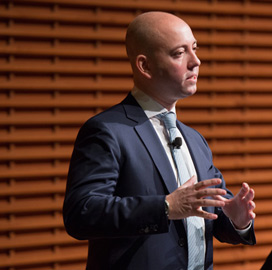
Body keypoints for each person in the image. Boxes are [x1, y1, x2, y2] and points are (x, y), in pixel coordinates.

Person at [63, 11, 256, 270]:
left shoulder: (195, 139)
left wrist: (236, 219)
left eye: (195, 49)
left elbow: (209, 217)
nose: (196, 61)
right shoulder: (107, 131)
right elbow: (81, 213)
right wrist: (165, 207)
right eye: (179, 53)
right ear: (145, 66)